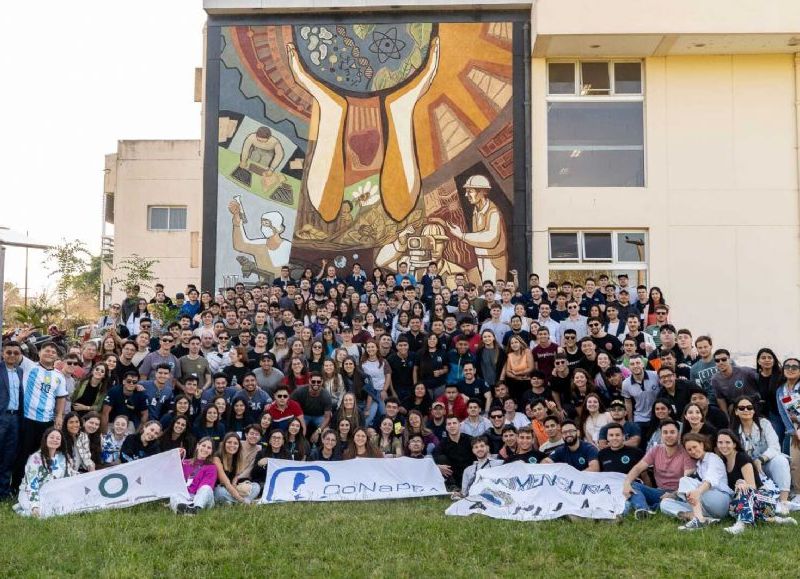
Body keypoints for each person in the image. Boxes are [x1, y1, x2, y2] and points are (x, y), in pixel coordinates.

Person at [716, 430, 797, 534]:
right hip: (748, 503)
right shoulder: (723, 461)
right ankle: (777, 519)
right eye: (720, 442)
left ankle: (742, 524)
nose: (724, 445)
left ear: (734, 444)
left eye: (727, 442)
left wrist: (742, 483)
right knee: (733, 509)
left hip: (762, 497)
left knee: (745, 491)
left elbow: (752, 487)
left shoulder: (742, 457)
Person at [14, 343, 69, 488]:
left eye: (53, 351)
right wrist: (19, 339)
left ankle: (38, 485)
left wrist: (59, 416)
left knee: (42, 454)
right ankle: (17, 486)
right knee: (23, 453)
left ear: (57, 356)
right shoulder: (29, 366)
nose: (50, 353)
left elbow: (61, 397)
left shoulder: (59, 376)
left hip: (46, 422)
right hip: (27, 418)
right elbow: (13, 352)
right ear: (39, 352)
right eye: (47, 350)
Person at [728, 395, 792, 514]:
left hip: (765, 463)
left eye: (749, 407)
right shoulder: (732, 430)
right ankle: (763, 501)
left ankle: (783, 502)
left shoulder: (764, 423)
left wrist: (760, 460)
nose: (746, 410)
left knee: (780, 460)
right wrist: (750, 465)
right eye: (741, 408)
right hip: (746, 469)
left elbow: (775, 447)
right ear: (736, 411)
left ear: (754, 410)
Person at [660, 433, 733, 530]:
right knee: (665, 503)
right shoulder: (698, 465)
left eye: (695, 447)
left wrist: (697, 492)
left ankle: (699, 520)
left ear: (702, 445)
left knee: (684, 479)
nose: (693, 451)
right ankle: (698, 518)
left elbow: (709, 481)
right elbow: (690, 486)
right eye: (689, 450)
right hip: (707, 507)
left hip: (721, 501)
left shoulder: (713, 458)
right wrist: (673, 495)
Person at [13, 428, 76, 517]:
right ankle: (24, 507)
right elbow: (31, 483)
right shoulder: (35, 458)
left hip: (51, 492)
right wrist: (34, 506)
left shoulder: (63, 457)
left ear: (61, 442)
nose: (55, 440)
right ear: (45, 439)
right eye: (52, 437)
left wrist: (88, 476)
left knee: (67, 507)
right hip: (30, 492)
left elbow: (71, 475)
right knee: (41, 512)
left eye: (58, 438)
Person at [0, 341, 24, 499]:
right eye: (9, 352)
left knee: (9, 456)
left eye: (16, 353)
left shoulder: (20, 371)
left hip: (15, 418)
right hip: (1, 417)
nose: (12, 355)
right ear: (3, 353)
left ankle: (3, 492)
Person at [170, 437, 218, 515]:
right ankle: (184, 509)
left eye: (209, 448)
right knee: (174, 494)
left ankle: (196, 508)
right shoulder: (185, 463)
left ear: (211, 452)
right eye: (203, 445)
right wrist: (176, 456)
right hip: (187, 496)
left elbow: (204, 486)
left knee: (206, 488)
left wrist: (192, 498)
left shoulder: (211, 467)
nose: (205, 449)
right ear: (197, 446)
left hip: (202, 497)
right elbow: (171, 473)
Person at [213, 432, 261, 505]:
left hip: (230, 488)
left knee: (256, 486)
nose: (232, 445)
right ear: (224, 444)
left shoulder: (237, 457)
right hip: (220, 487)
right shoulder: (217, 458)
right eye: (229, 442)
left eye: (235, 443)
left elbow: (235, 479)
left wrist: (236, 488)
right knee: (220, 492)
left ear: (239, 446)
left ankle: (231, 502)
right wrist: (240, 499)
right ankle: (244, 502)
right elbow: (226, 483)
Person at [711, 349, 759, 414]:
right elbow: (720, 399)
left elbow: (762, 378)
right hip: (736, 408)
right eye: (717, 360)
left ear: (730, 360)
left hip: (753, 404)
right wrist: (726, 418)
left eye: (724, 359)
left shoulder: (745, 371)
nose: (720, 362)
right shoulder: (715, 379)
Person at [432, 416, 473, 490]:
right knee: (441, 458)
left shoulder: (470, 440)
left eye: (454, 423)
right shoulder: (443, 443)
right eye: (449, 424)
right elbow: (434, 458)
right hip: (453, 476)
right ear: (446, 427)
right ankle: (452, 486)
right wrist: (438, 467)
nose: (452, 426)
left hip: (469, 474)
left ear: (460, 425)